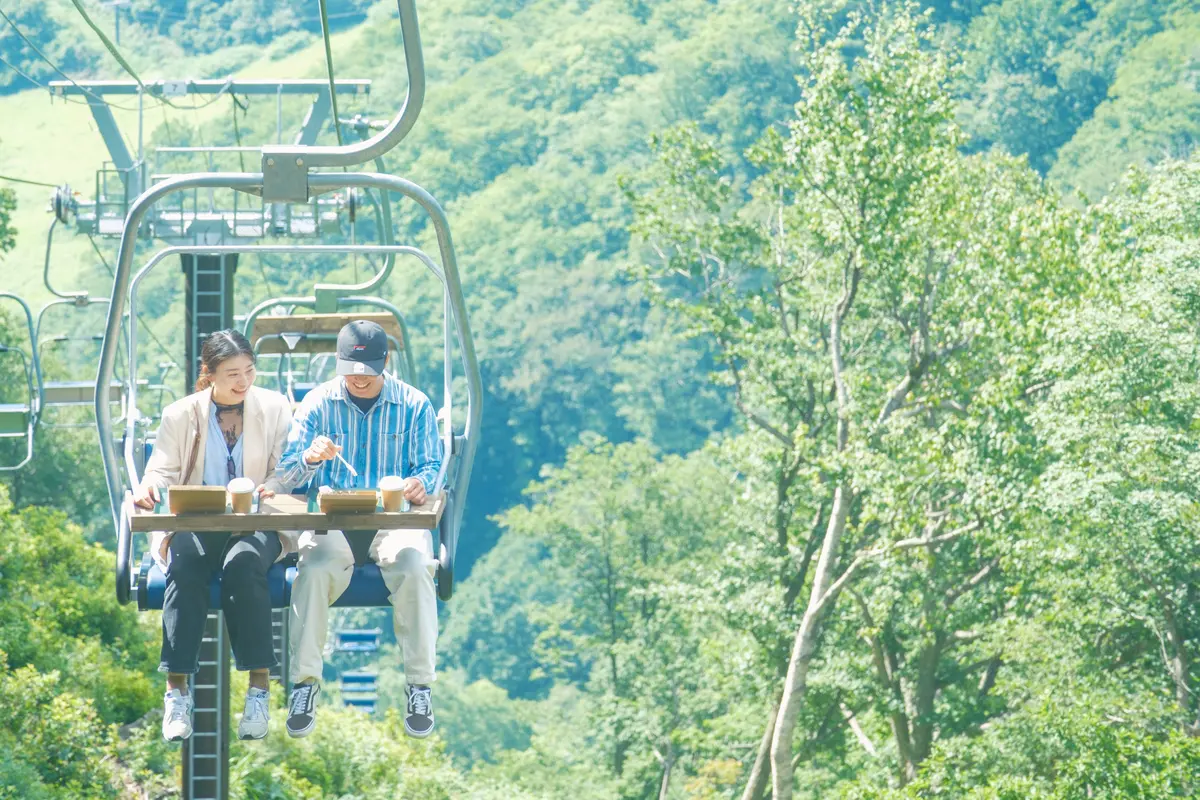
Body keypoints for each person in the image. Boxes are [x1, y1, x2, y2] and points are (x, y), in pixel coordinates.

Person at [275, 319, 442, 739]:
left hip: (392, 518)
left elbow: (431, 466)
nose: (358, 380)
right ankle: (305, 684)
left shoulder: (414, 404)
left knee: (416, 566)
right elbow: (287, 475)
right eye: (351, 371)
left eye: (367, 373)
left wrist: (420, 483)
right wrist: (311, 459)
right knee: (312, 572)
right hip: (334, 518)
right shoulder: (317, 404)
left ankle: (419, 685)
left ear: (385, 363)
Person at [133, 330, 294, 743]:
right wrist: (149, 489)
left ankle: (258, 689)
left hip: (255, 519)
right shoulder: (181, 415)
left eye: (249, 371)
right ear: (210, 374)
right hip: (199, 520)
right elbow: (161, 470)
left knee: (243, 565)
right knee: (185, 566)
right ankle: (177, 691)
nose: (243, 382)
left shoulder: (275, 408)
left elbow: (285, 467)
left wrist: (270, 487)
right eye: (232, 374)